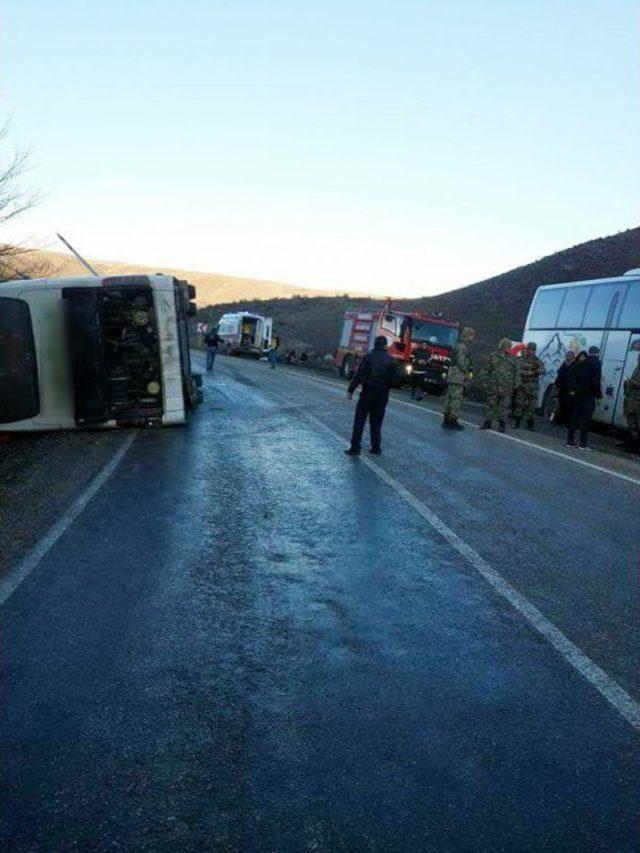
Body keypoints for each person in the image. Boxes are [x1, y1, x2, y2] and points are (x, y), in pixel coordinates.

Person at [345, 335, 396, 456]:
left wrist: (350, 390)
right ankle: (376, 447)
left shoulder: (368, 357)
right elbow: (395, 379)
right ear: (385, 345)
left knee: (360, 420)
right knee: (376, 421)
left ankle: (355, 447)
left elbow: (359, 375)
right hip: (382, 395)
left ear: (374, 344)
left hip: (367, 392)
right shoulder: (391, 360)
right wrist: (387, 387)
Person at [480, 338, 519, 432]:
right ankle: (488, 422)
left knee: (504, 407)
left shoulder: (513, 359)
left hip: (507, 387)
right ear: (504, 347)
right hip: (494, 385)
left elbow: (517, 372)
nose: (510, 349)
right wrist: (484, 381)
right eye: (508, 347)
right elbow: (486, 369)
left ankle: (502, 425)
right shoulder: (493, 356)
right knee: (491, 404)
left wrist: (516, 384)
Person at [442, 326, 475, 430]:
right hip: (458, 376)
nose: (472, 338)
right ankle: (453, 421)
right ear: (467, 335)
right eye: (471, 335)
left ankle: (446, 420)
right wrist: (469, 369)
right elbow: (461, 361)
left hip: (453, 376)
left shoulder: (457, 345)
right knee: (456, 400)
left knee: (449, 399)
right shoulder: (463, 347)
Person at [566, 350, 600, 449]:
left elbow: (569, 380)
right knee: (585, 420)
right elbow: (596, 382)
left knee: (574, 418)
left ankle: (570, 441)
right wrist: (597, 395)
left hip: (577, 396)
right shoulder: (595, 365)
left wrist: (572, 391)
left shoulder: (576, 366)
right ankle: (582, 444)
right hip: (587, 397)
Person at [513, 341, 543, 429]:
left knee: (532, 406)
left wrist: (537, 371)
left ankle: (530, 425)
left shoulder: (537, 360)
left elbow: (543, 370)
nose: (531, 352)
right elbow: (517, 370)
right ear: (527, 350)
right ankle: (517, 423)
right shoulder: (521, 359)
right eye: (530, 350)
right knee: (519, 404)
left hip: (533, 387)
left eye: (533, 350)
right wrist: (528, 372)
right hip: (523, 385)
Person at [553, 350, 576, 426]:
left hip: (569, 389)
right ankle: (557, 420)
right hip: (562, 387)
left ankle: (565, 422)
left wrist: (573, 389)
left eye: (570, 356)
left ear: (573, 357)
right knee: (560, 404)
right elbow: (559, 375)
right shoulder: (564, 364)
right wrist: (556, 384)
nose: (568, 357)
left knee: (568, 406)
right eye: (567, 355)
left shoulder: (574, 365)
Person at [623, 353, 640, 451]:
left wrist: (632, 382)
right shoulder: (637, 368)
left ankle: (635, 446)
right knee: (631, 421)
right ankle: (631, 443)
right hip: (631, 399)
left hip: (637, 401)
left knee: (636, 424)